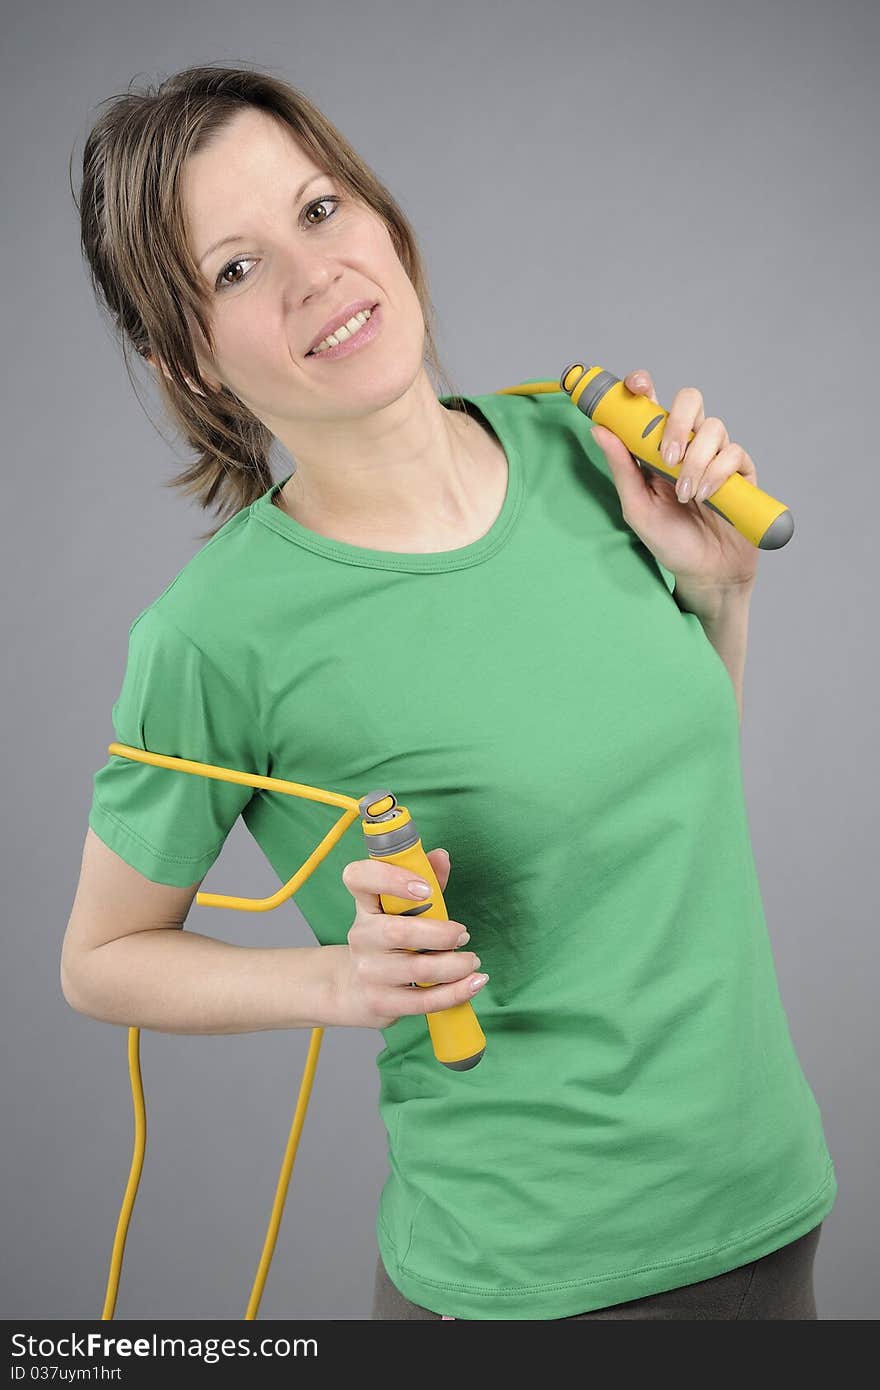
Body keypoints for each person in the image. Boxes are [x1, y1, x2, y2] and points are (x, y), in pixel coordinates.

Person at [61, 62, 837, 1321]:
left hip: (767, 1209)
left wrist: (722, 593)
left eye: (318, 211)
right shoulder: (214, 637)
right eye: (237, 268)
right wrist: (336, 985)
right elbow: (99, 960)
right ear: (185, 365)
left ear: (378, 216)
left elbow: (658, 822)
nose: (316, 274)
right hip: (529, 1281)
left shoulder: (587, 452)